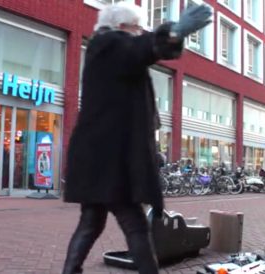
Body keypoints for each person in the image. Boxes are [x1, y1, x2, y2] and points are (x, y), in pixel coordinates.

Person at [61, 3, 211, 274]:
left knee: (91, 222)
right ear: (122, 27)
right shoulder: (111, 44)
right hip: (112, 161)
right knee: (135, 225)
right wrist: (174, 32)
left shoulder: (104, 49)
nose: (140, 32)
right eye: (137, 28)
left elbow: (138, 52)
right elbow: (140, 49)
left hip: (99, 158)